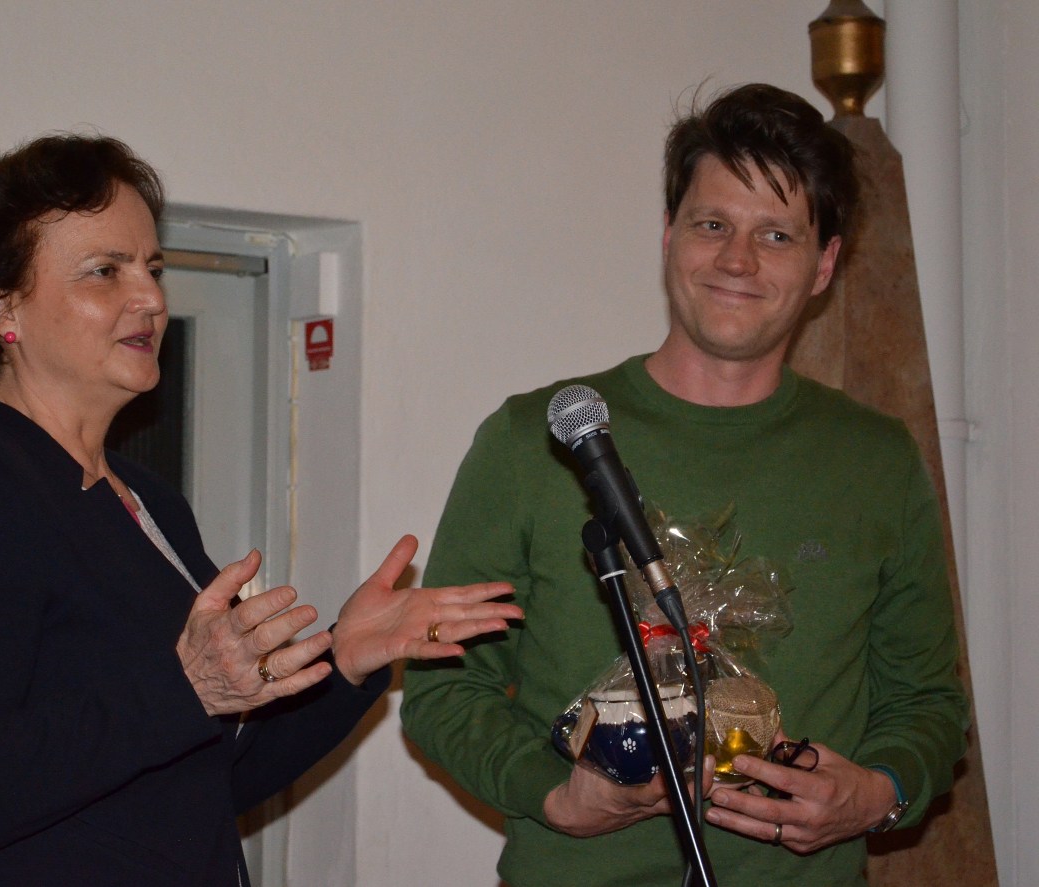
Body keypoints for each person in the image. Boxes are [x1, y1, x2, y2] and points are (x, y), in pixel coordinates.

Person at [0, 133, 521, 887]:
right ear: (0, 306)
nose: (150, 298)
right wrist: (185, 690)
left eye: (152, 267)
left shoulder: (151, 504)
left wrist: (346, 660)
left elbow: (206, 784)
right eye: (105, 270)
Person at [400, 83, 969, 886]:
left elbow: (929, 706)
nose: (738, 259)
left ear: (824, 265)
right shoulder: (533, 443)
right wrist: (553, 795)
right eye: (713, 225)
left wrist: (876, 793)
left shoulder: (877, 461)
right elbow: (443, 687)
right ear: (670, 236)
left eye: (777, 234)